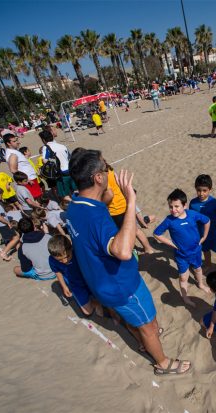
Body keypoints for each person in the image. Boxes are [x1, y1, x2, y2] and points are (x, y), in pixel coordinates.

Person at [66, 149, 192, 375]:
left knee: (137, 324)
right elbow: (123, 251)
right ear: (98, 177)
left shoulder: (75, 205)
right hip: (122, 285)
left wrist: (110, 196)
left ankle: (143, 339)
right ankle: (162, 363)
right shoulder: (95, 217)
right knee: (150, 326)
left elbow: (101, 203)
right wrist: (130, 200)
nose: (109, 172)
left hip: (100, 284)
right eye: (105, 169)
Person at [153, 188, 211, 307]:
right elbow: (156, 233)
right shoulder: (169, 220)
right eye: (171, 207)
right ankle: (185, 297)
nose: (173, 210)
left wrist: (204, 236)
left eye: (176, 206)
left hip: (196, 252)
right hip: (181, 256)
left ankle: (200, 284)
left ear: (184, 205)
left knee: (198, 269)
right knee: (183, 277)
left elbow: (207, 221)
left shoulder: (192, 214)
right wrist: (171, 244)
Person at [48, 234, 102, 316]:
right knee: (87, 312)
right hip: (75, 285)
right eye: (60, 260)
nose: (65, 261)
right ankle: (95, 303)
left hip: (89, 281)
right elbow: (57, 272)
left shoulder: (78, 251)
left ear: (71, 248)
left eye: (67, 256)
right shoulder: (52, 260)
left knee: (105, 298)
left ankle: (99, 302)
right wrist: (64, 287)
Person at [189, 174, 216, 272]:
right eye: (199, 190)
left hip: (215, 235)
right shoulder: (193, 203)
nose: (201, 193)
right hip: (201, 235)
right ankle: (208, 265)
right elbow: (192, 220)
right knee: (206, 251)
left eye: (204, 190)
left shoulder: (214, 203)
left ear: (210, 189)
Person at [39, 129, 75, 200]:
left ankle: (73, 205)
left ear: (43, 140)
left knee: (65, 194)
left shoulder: (46, 147)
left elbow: (44, 161)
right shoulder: (62, 145)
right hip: (69, 170)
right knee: (73, 190)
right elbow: (69, 157)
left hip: (60, 173)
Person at [4, 134, 42, 199]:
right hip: (29, 180)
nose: (17, 142)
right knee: (36, 198)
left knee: (37, 197)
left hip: (29, 178)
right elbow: (13, 170)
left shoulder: (14, 152)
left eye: (16, 140)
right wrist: (26, 180)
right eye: (14, 141)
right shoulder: (13, 154)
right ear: (8, 143)